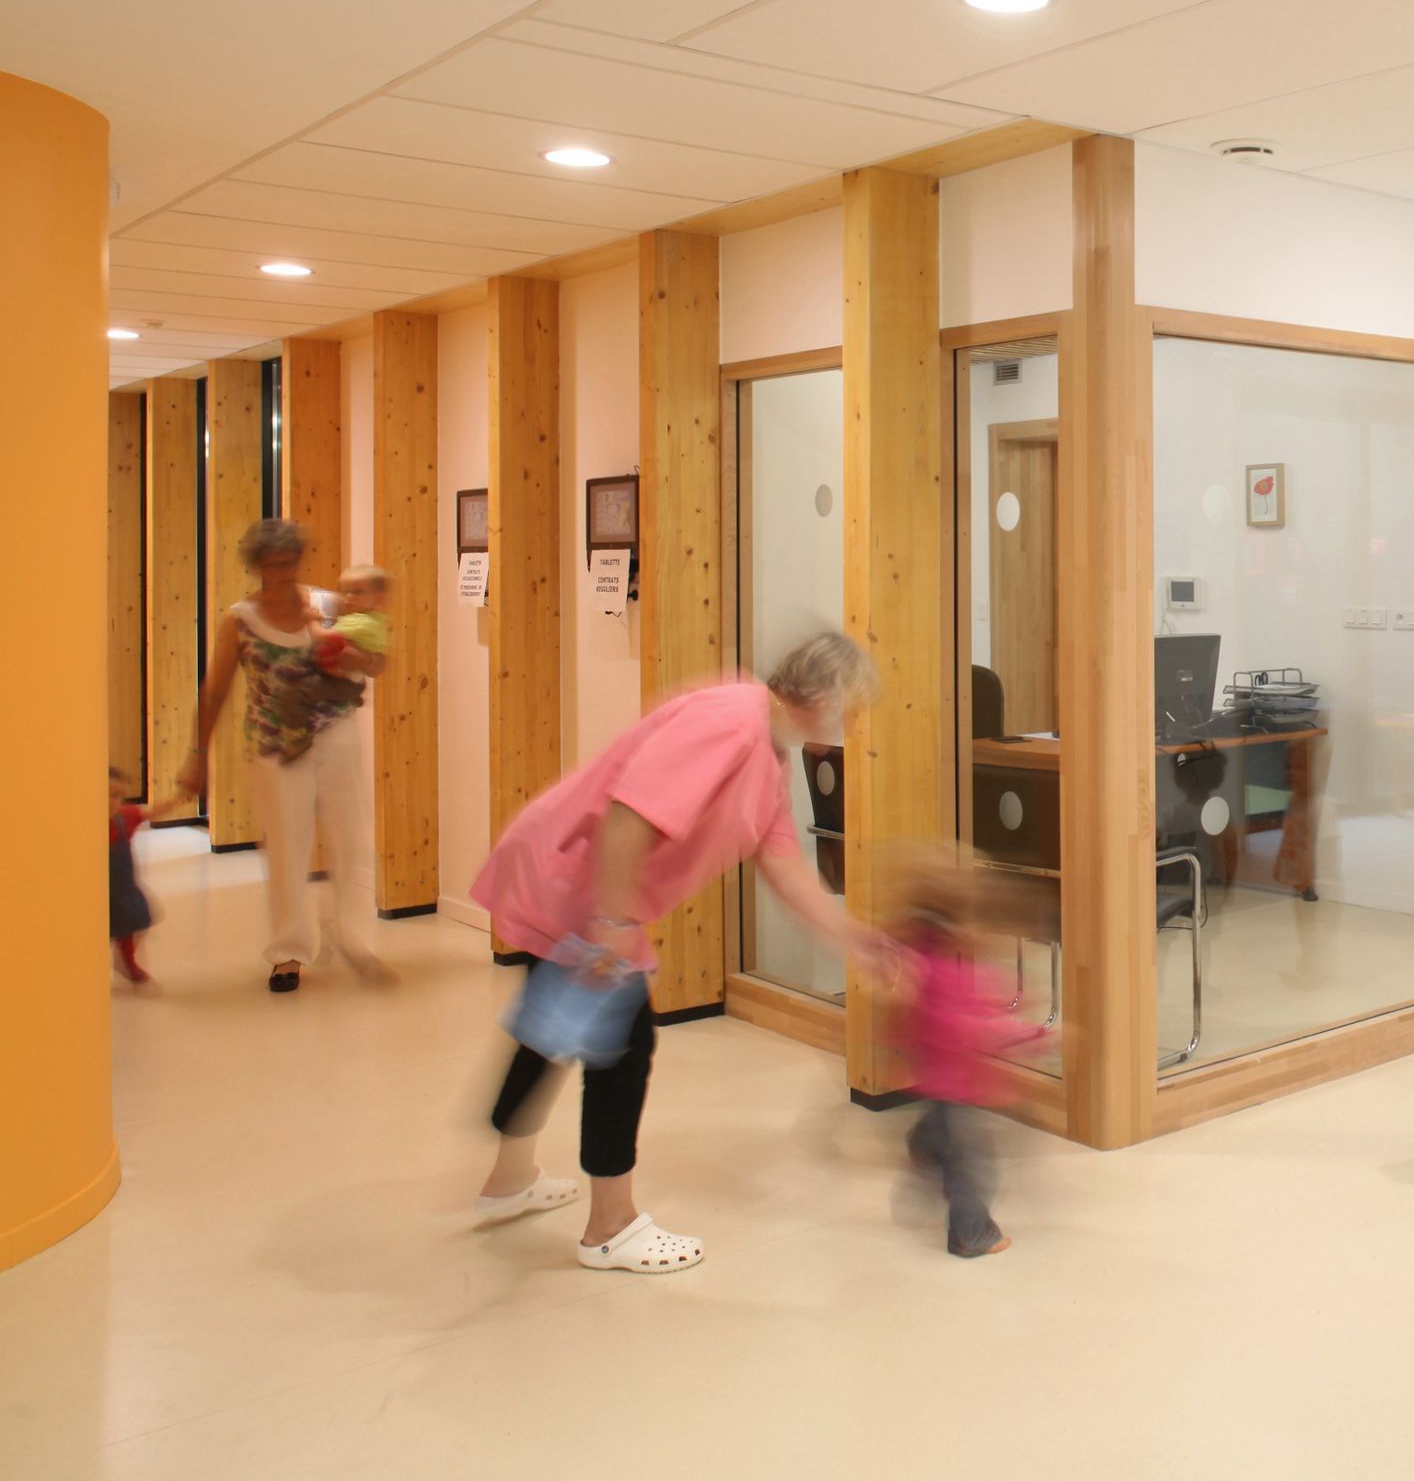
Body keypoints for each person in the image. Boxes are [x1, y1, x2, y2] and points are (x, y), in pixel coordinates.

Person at [471, 631, 898, 1274]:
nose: (852, 722)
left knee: (556, 1025)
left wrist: (857, 942)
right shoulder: (732, 720)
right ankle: (610, 1227)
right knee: (622, 1044)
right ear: (823, 695)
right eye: (852, 705)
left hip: (578, 883)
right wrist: (612, 921)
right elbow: (630, 812)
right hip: (579, 882)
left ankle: (509, 1180)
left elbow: (784, 868)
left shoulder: (769, 755)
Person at [180, 518, 389, 992]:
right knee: (287, 849)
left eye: (290, 562)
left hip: (335, 735)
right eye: (273, 564)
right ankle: (289, 952)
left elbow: (378, 659)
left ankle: (354, 936)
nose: (283, 571)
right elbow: (214, 691)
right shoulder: (240, 620)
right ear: (256, 567)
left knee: (352, 838)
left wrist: (362, 660)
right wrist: (197, 755)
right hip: (275, 747)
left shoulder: (327, 605)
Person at [893, 856, 1042, 1256]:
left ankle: (924, 1146)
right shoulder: (948, 974)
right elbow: (972, 1027)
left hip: (937, 1080)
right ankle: (971, 1235)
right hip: (958, 1086)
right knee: (974, 1169)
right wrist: (1036, 1033)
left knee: (943, 1135)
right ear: (954, 927)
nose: (985, 933)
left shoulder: (929, 963)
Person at [107, 769, 193, 986]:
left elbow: (154, 811)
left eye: (117, 795)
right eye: (106, 793)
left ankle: (126, 960)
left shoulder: (125, 817)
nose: (111, 801)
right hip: (93, 894)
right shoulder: (80, 825)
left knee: (135, 922)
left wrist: (179, 797)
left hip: (122, 890)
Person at [309, 563, 391, 707]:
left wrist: (312, 621)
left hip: (341, 681)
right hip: (348, 680)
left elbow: (326, 636)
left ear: (378, 598)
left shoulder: (360, 622)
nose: (348, 597)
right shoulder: (372, 619)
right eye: (344, 591)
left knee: (304, 691)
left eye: (357, 592)